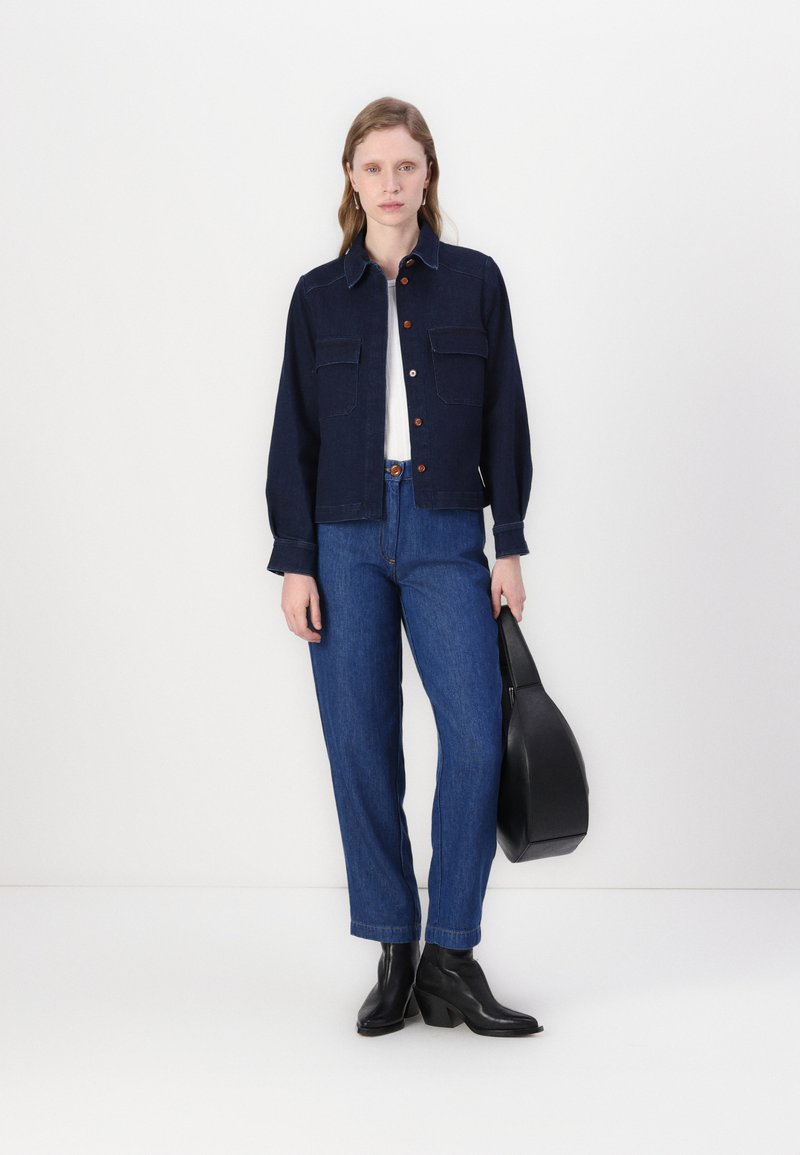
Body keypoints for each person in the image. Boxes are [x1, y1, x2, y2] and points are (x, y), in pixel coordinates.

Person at [265, 96, 543, 1039]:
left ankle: (450, 957)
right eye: (374, 167)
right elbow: (293, 434)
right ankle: (393, 944)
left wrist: (509, 541)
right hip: (341, 537)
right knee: (360, 745)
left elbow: (505, 415)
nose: (391, 183)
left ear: (428, 177)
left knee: (475, 736)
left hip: (445, 532)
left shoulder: (475, 282)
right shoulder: (316, 296)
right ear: (351, 177)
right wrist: (296, 561)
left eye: (406, 166)